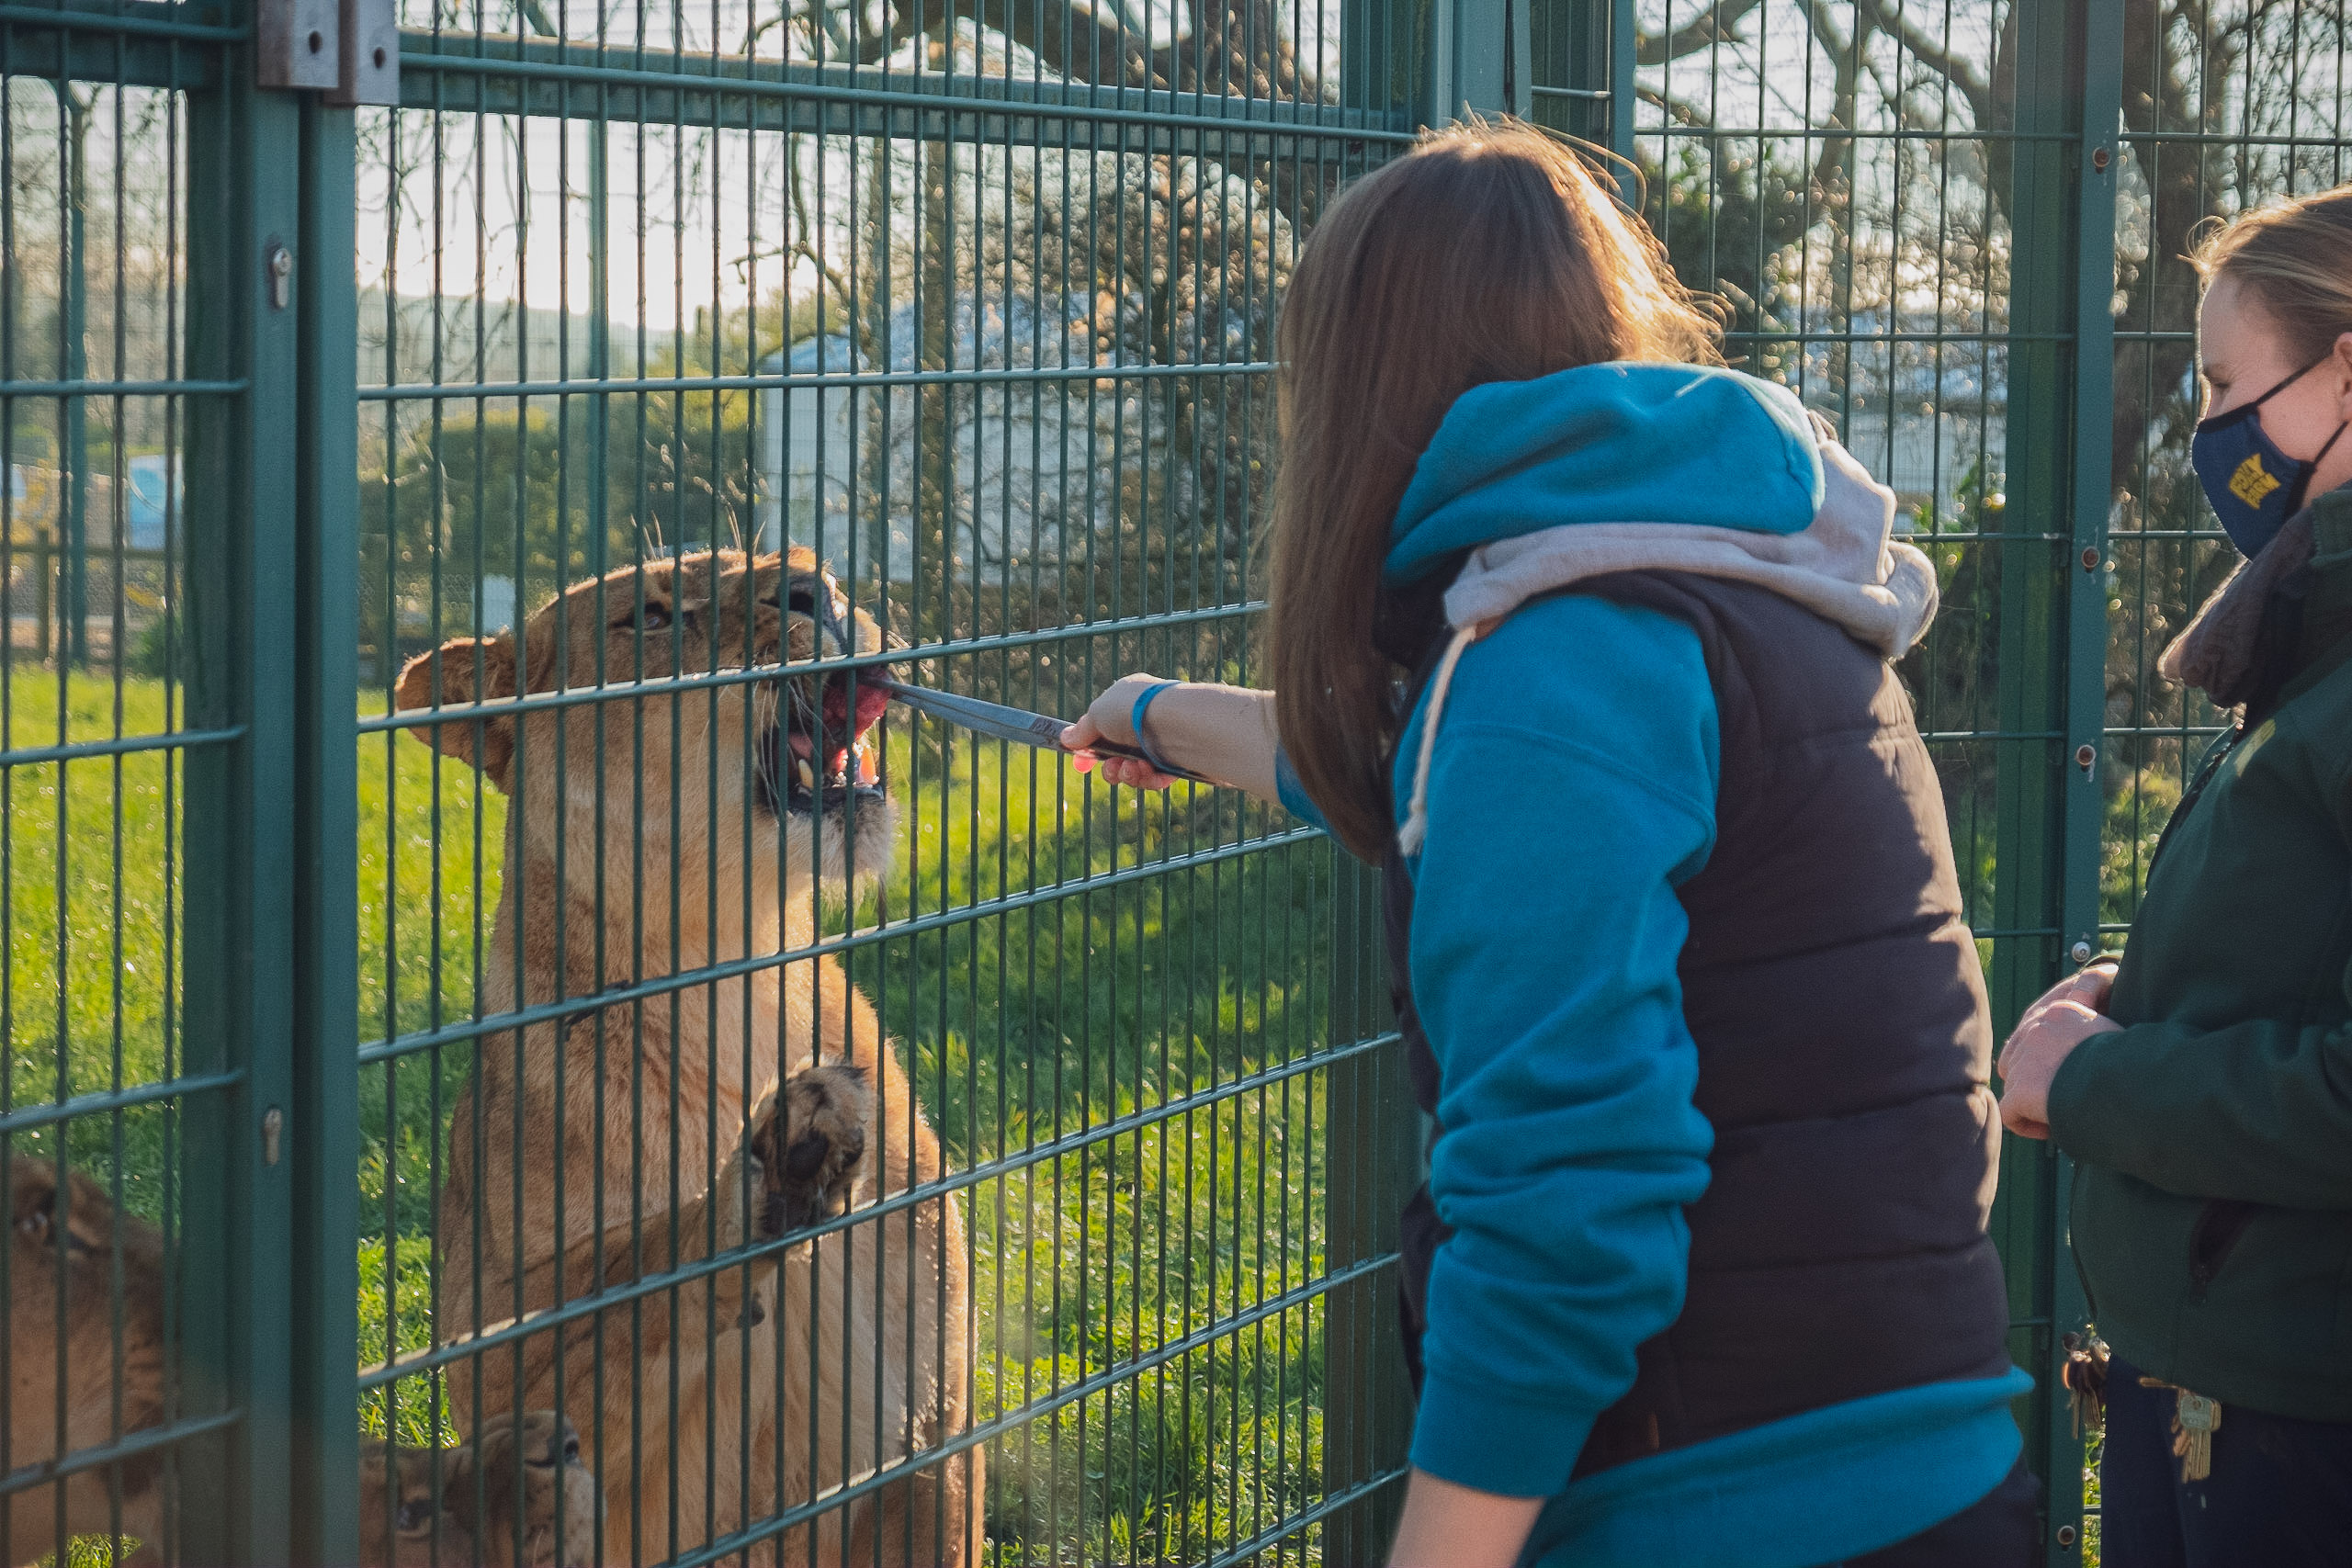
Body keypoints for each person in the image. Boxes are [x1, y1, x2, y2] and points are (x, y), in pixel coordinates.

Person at [1060, 121, 2034, 1568]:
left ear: (1360, 389)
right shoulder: (1738, 590)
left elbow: (1568, 1198)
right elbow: (1477, 801)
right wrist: (1161, 712)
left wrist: (1439, 1549)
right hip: (1932, 1455)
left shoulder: (1547, 670)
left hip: (1719, 1507)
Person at [1996, 184, 2352, 1565]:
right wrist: (2148, 994)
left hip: (2284, 1425)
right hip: (2222, 1394)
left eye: (2222, 379)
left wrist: (2093, 1084)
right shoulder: (2314, 627)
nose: (2207, 430)